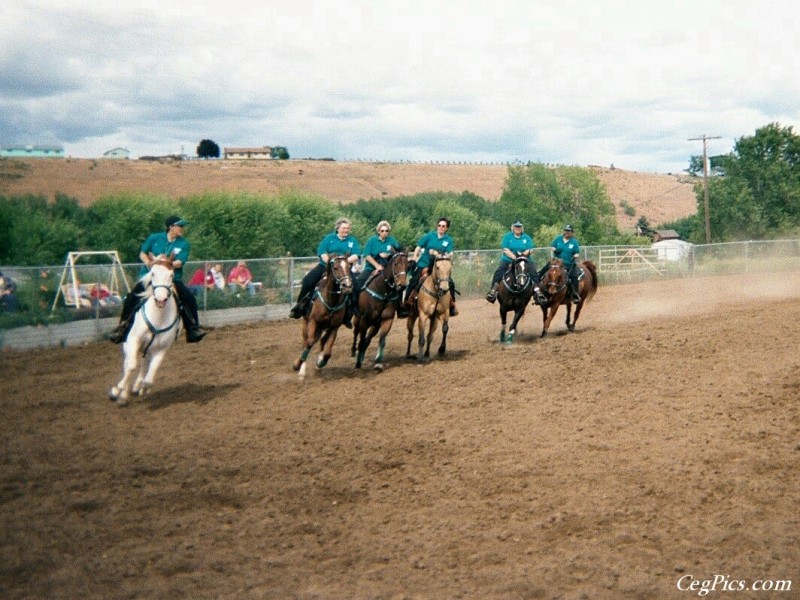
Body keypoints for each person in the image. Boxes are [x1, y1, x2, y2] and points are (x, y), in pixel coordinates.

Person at [109, 215, 206, 343]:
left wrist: (166, 263)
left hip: (171, 279)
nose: (182, 228)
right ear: (171, 227)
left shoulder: (183, 243)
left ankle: (193, 329)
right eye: (180, 226)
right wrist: (149, 263)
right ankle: (122, 328)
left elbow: (180, 262)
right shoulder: (154, 238)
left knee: (189, 299)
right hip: (150, 276)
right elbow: (143, 253)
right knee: (131, 298)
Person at [288, 217, 361, 327]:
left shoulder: (352, 240)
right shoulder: (329, 238)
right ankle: (299, 306)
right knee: (307, 281)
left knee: (356, 287)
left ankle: (349, 314)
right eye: (344, 228)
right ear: (338, 229)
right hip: (325, 266)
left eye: (348, 228)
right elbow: (322, 252)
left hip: (343, 269)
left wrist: (343, 262)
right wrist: (331, 263)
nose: (346, 230)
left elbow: (356, 255)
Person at [403, 217, 458, 317]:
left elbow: (450, 253)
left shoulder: (448, 240)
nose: (441, 227)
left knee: (451, 283)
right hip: (423, 263)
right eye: (439, 225)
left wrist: (438, 254)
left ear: (447, 228)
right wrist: (415, 257)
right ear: (437, 226)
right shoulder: (429, 236)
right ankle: (406, 303)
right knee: (413, 281)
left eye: (443, 226)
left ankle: (452, 305)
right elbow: (419, 247)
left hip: (439, 266)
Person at [485, 220, 547, 305]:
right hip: (508, 259)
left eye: (519, 227)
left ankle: (538, 293)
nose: (518, 228)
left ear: (522, 228)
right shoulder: (507, 237)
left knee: (534, 273)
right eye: (516, 226)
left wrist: (522, 256)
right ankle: (493, 291)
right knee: (499, 272)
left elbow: (531, 249)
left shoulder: (526, 237)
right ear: (512, 228)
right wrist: (514, 257)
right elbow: (505, 249)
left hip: (524, 260)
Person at [352, 220, 402, 310]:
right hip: (370, 267)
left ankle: (400, 308)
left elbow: (398, 252)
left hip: (387, 269)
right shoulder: (372, 241)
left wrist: (390, 254)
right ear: (378, 231)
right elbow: (366, 255)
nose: (384, 233)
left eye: (387, 231)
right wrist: (376, 265)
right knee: (358, 284)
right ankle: (355, 307)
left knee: (400, 285)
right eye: (382, 231)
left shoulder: (392, 241)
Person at [551, 224, 583, 303]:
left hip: (569, 264)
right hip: (557, 263)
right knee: (546, 271)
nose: (567, 232)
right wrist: (555, 250)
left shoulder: (574, 242)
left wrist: (575, 256)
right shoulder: (558, 239)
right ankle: (539, 290)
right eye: (566, 230)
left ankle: (575, 294)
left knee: (574, 277)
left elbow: (577, 253)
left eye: (569, 231)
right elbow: (552, 247)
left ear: (572, 232)